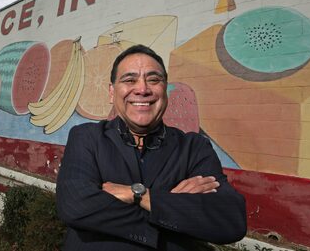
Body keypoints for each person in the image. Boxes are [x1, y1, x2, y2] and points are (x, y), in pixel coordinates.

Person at [56, 44, 246, 250]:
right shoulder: (87, 137)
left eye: (154, 80)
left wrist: (138, 195)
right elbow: (75, 206)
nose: (143, 89)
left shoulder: (194, 147)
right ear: (112, 92)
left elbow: (229, 220)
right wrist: (172, 208)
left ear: (165, 89)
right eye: (129, 80)